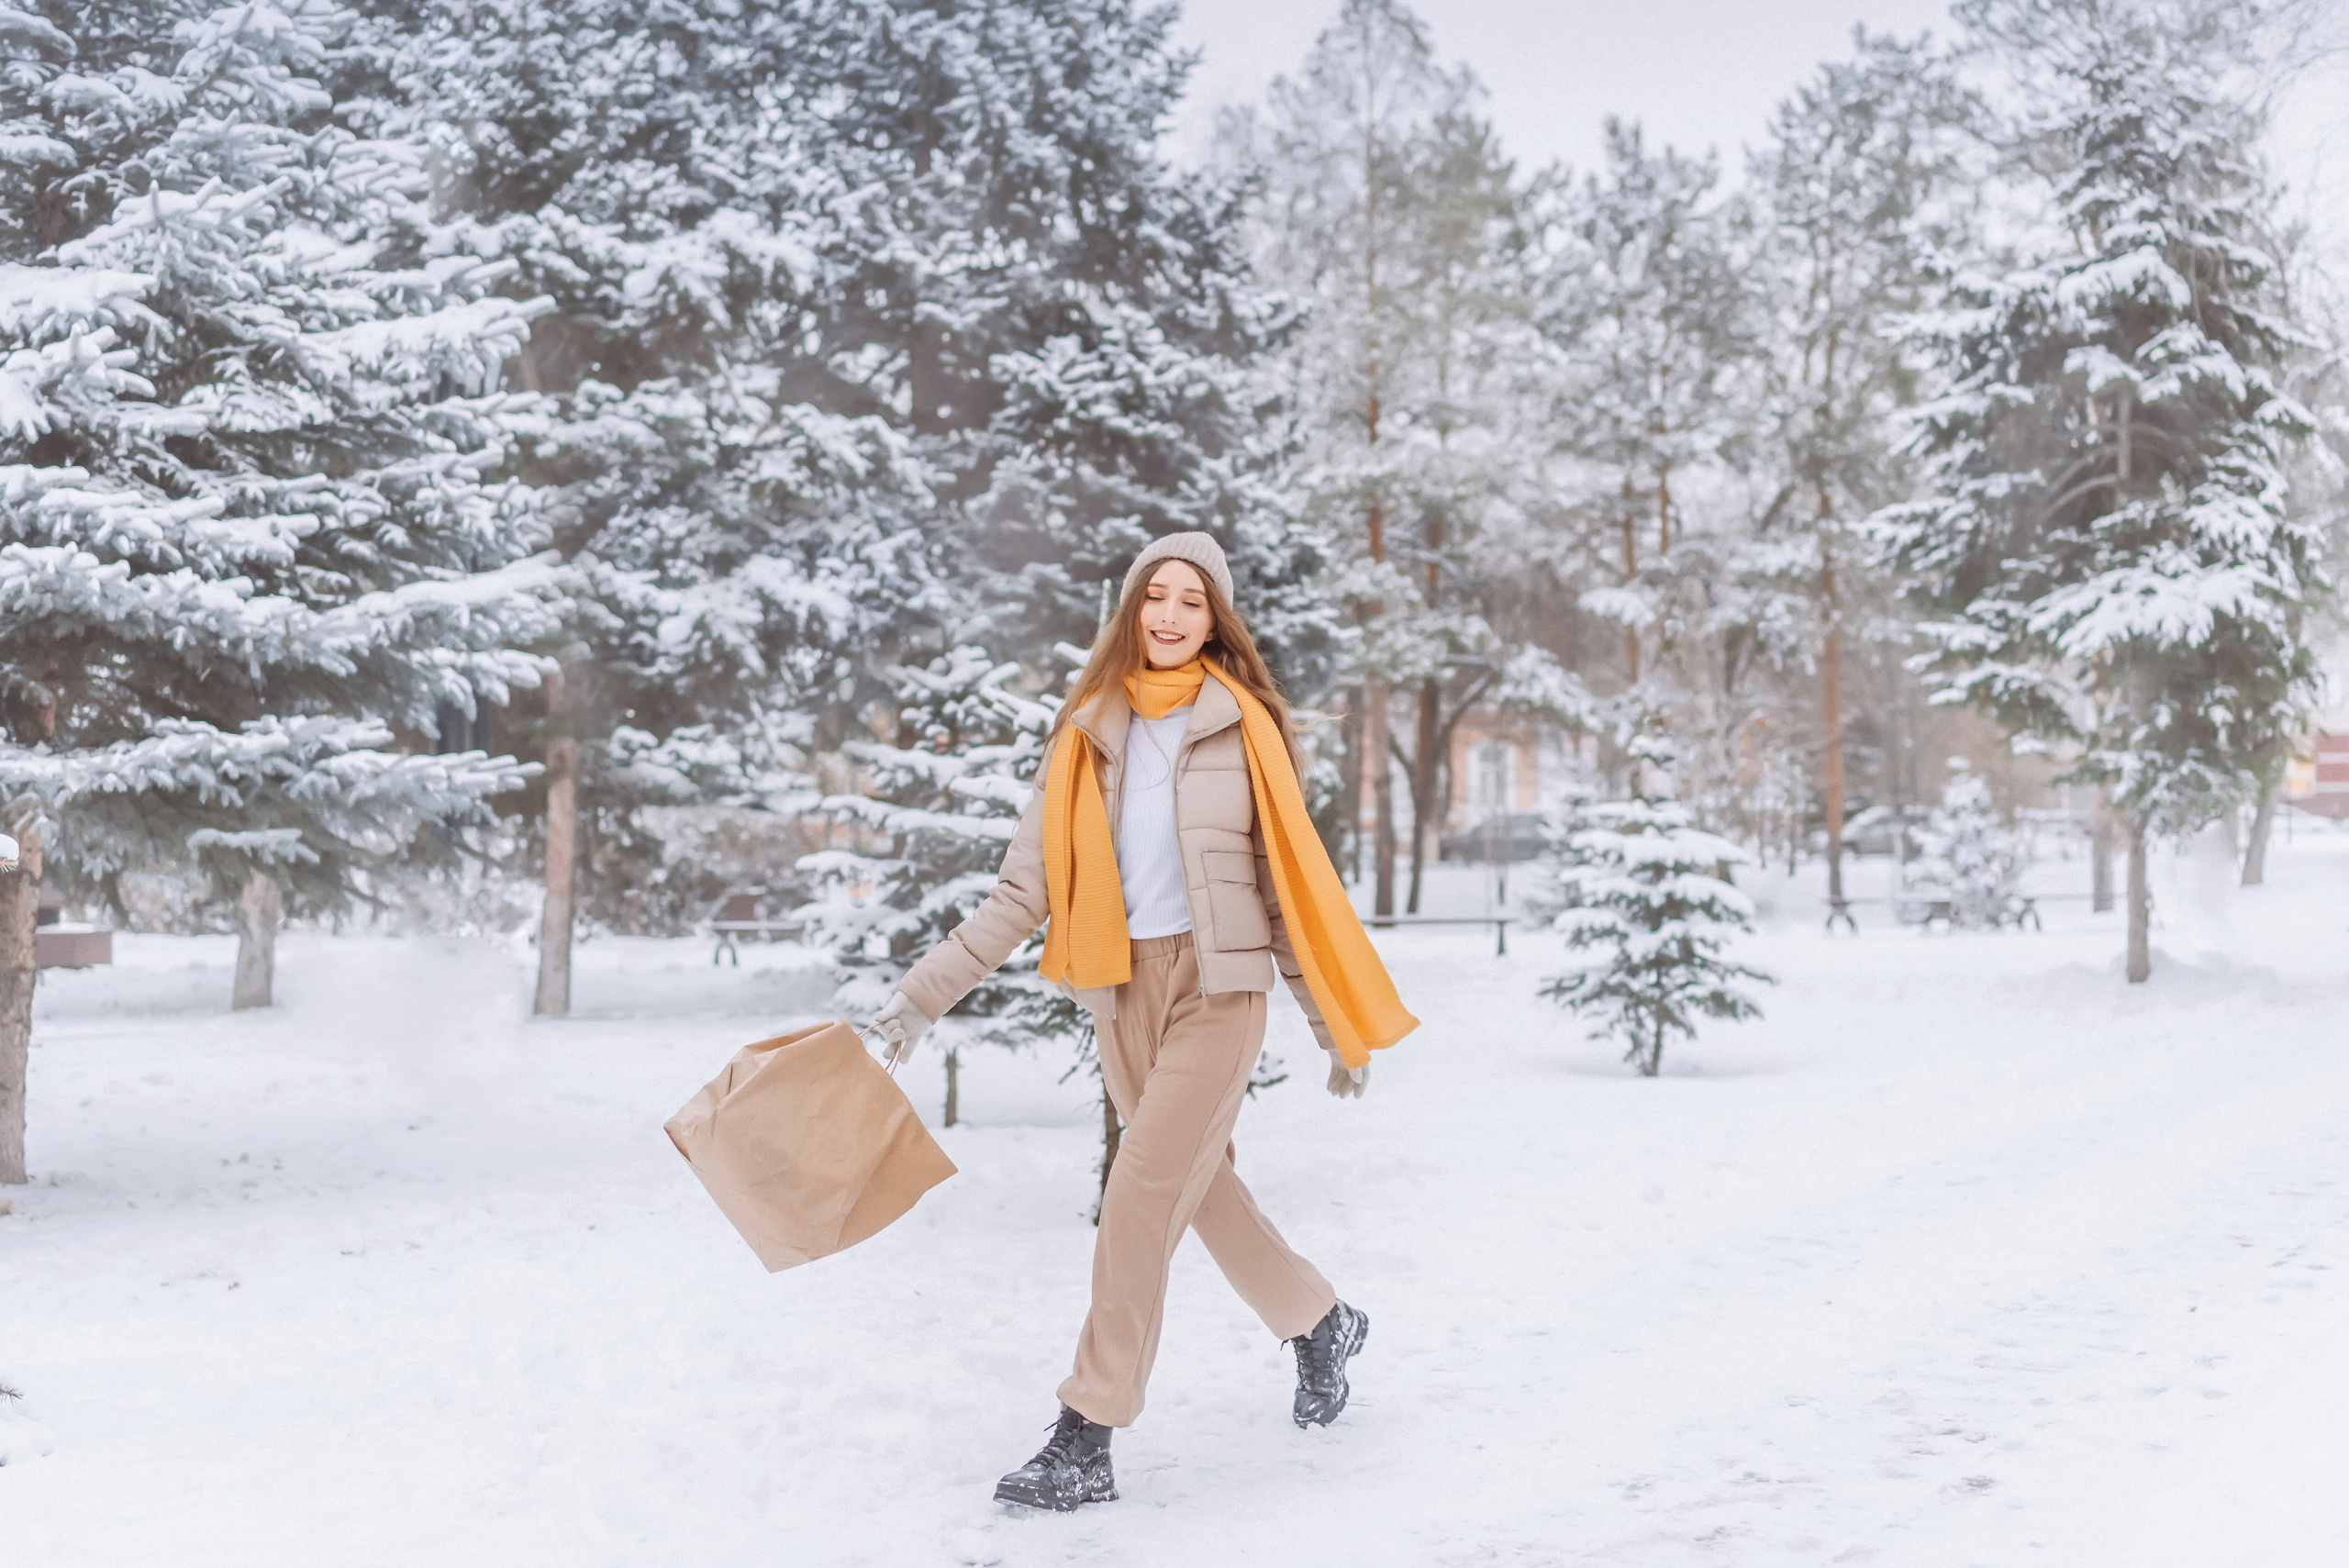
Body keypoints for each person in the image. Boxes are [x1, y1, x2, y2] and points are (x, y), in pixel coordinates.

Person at [870, 532, 1419, 1512]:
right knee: (1198, 1187)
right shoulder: (1085, 729)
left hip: (1219, 989)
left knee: (1138, 1192)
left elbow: (1285, 884)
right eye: (1153, 595)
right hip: (1121, 991)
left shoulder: (1242, 725)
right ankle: (1320, 1321)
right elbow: (1018, 892)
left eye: (1191, 600)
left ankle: (1087, 1430)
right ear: (1130, 609)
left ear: (1215, 621)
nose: (1168, 613)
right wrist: (922, 994)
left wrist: (1331, 1021)